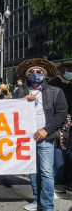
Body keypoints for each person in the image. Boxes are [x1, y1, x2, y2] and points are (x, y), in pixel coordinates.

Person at [13, 58, 68, 211]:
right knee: (32, 171)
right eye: (32, 72)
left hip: (45, 138)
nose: (36, 74)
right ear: (27, 75)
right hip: (27, 139)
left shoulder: (55, 91)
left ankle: (48, 206)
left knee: (46, 172)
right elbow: (11, 110)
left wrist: (46, 130)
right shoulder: (21, 91)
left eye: (39, 72)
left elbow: (61, 114)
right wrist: (23, 100)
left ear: (44, 75)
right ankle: (37, 201)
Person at [48, 61, 72, 193]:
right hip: (56, 121)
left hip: (69, 122)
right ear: (61, 70)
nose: (69, 72)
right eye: (67, 69)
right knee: (57, 150)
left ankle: (67, 179)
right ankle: (57, 179)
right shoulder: (52, 84)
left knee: (69, 152)